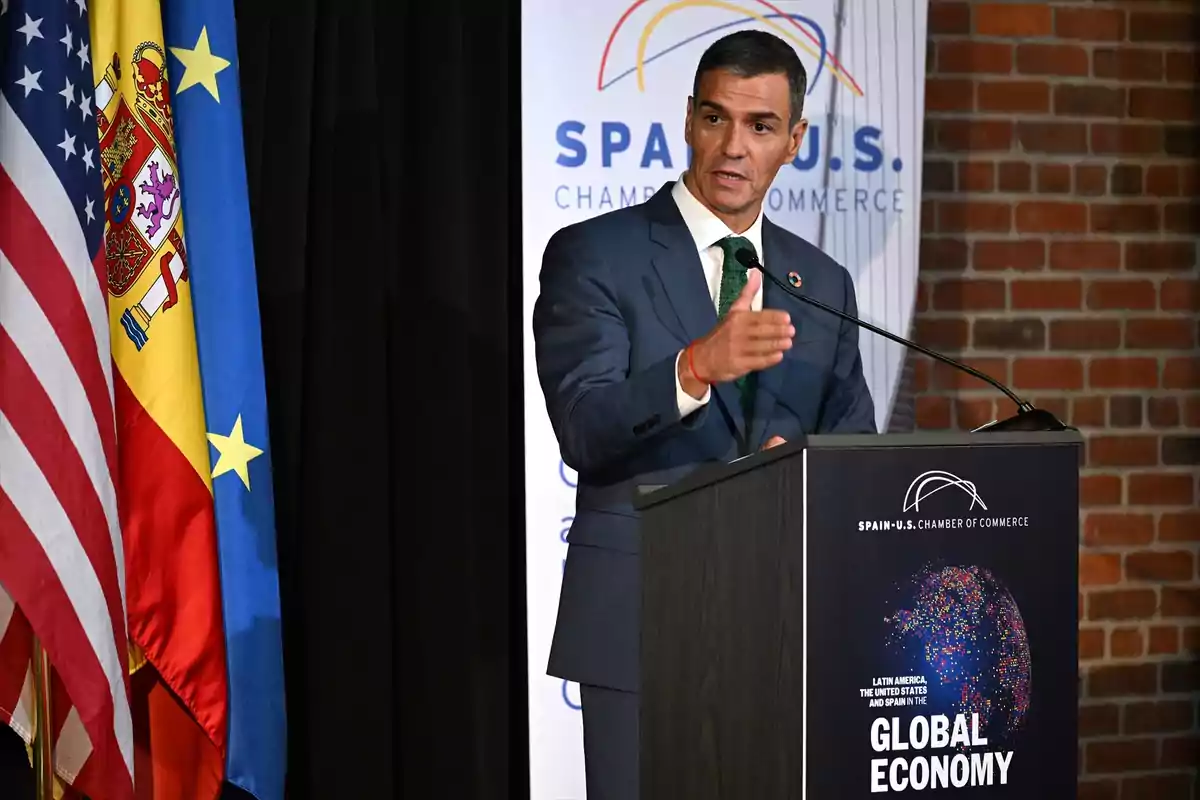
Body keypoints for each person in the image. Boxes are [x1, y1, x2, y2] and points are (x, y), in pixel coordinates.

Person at [531, 29, 877, 799]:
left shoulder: (820, 282)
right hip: (639, 627)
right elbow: (584, 426)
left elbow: (854, 450)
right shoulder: (595, 254)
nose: (732, 147)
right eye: (715, 118)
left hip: (780, 632)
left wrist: (805, 469)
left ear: (794, 141)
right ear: (688, 120)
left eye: (760, 127)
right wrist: (693, 369)